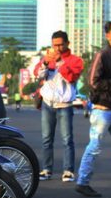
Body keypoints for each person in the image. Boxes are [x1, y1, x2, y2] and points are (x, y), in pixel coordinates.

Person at [75, 19, 111, 197]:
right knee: (94, 147)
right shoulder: (102, 55)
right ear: (108, 35)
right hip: (103, 109)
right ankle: (82, 182)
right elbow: (93, 83)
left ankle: (82, 182)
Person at [33, 31, 83, 182]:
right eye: (55, 45)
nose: (57, 48)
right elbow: (37, 74)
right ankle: (46, 169)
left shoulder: (75, 60)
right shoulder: (47, 59)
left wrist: (60, 62)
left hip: (65, 104)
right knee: (46, 139)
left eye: (61, 45)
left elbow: (72, 77)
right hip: (48, 103)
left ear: (67, 44)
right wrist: (45, 63)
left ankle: (68, 170)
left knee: (67, 139)